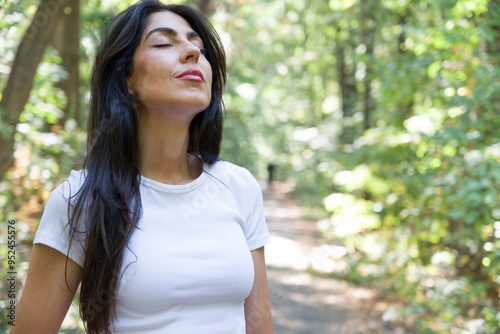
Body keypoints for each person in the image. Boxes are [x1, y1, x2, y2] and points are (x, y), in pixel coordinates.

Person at [11, 1, 273, 333]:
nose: (192, 52)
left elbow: (260, 321)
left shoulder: (239, 186)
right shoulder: (80, 200)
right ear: (126, 81)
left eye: (200, 47)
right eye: (164, 43)